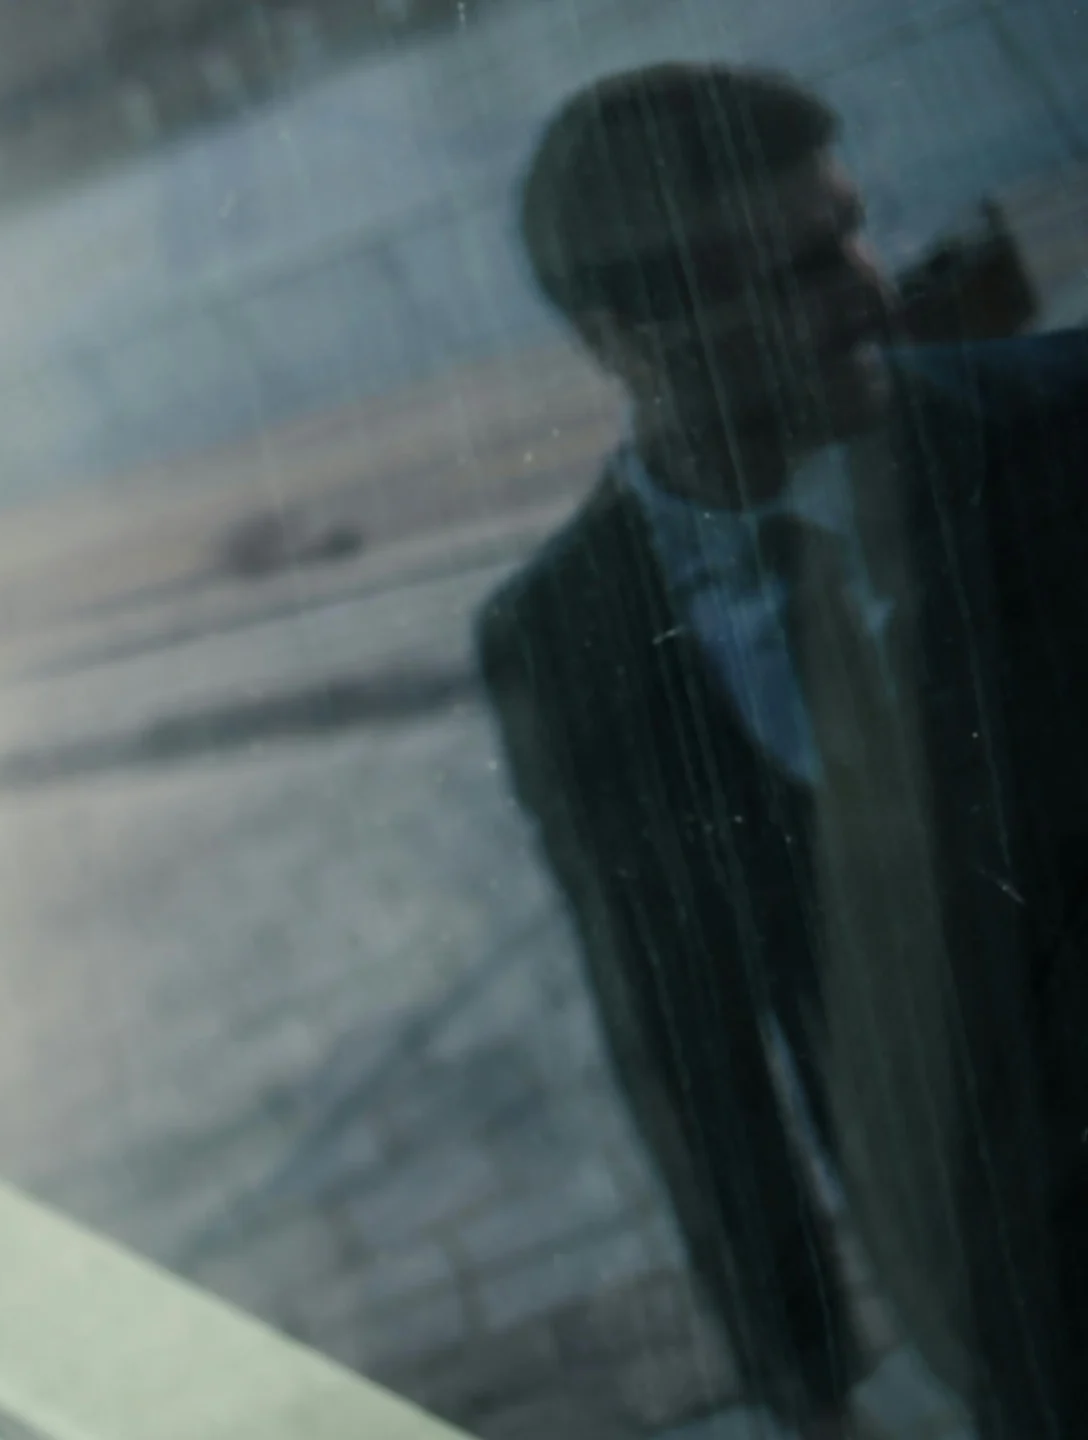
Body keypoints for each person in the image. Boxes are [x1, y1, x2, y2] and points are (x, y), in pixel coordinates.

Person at [479, 64, 1088, 1437]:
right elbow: (689, 1059)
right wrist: (808, 1390)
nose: (871, 290)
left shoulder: (1064, 430)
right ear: (629, 340)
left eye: (852, 231)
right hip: (1014, 1314)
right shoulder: (563, 642)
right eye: (796, 275)